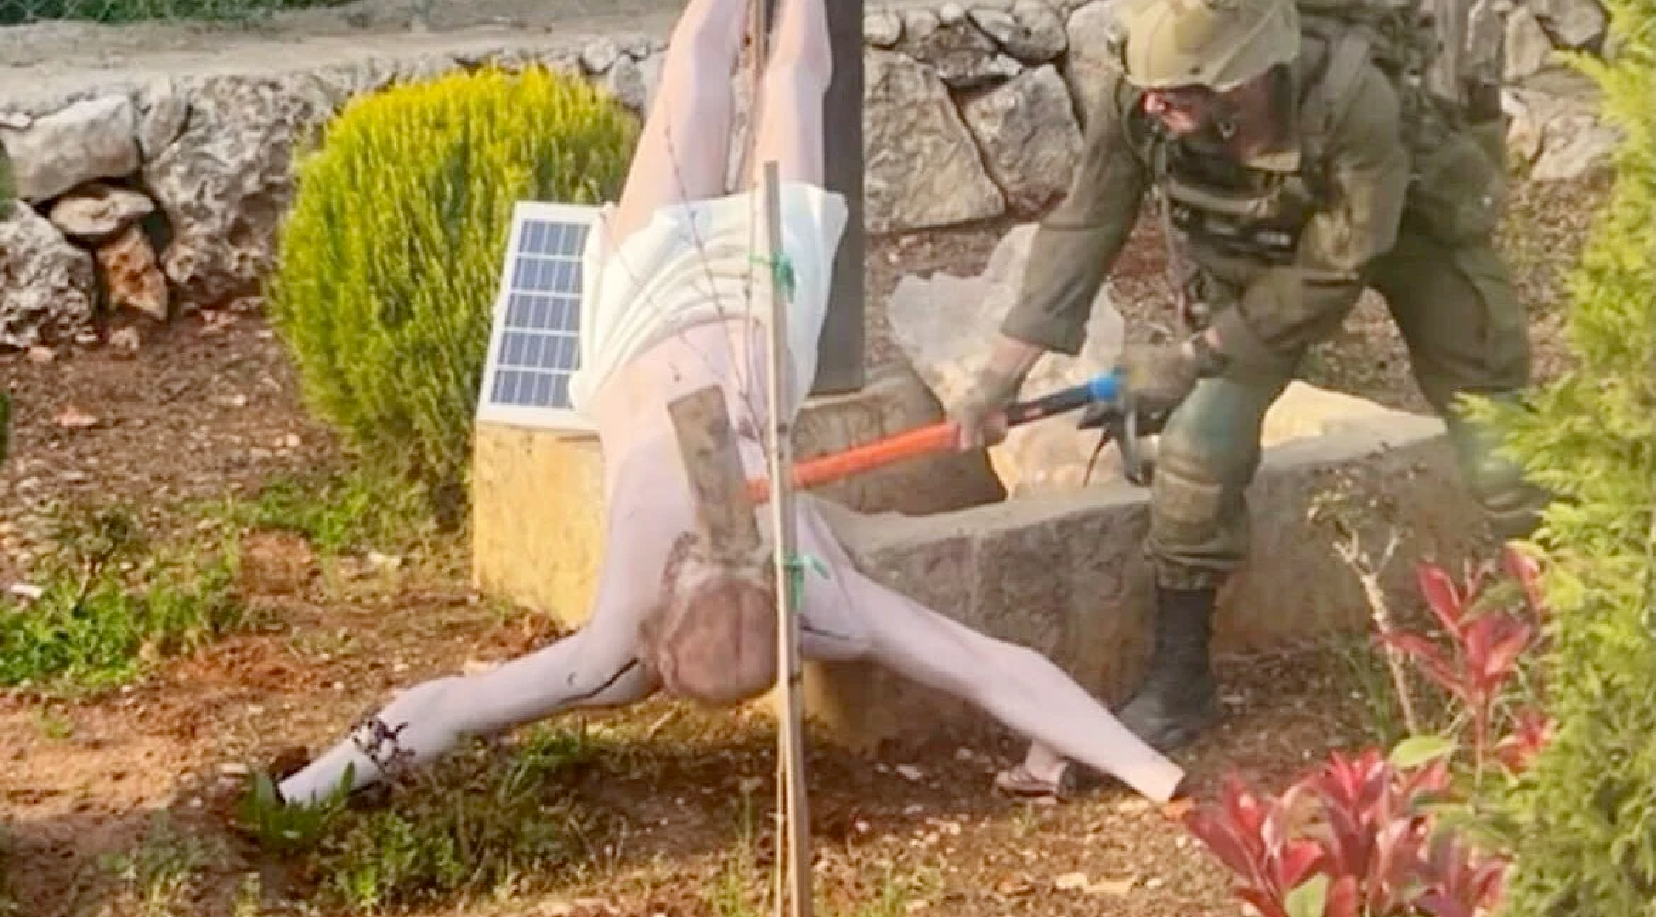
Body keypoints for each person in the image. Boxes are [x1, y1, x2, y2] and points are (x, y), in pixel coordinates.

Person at [270, 0, 1187, 811]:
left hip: (659, 309)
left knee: (712, 70)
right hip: (755, 298)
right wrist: (1155, 777)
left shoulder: (631, 645)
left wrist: (1161, 781)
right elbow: (994, 667)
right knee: (777, 73)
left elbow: (447, 706)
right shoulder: (811, 606)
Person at [952, 0, 1543, 792]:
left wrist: (1194, 353)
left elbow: (1338, 263)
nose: (1152, 105)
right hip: (1261, 255)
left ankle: (1568, 619)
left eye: (1175, 93)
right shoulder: (1145, 90)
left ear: (1241, 80)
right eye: (1149, 89)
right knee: (1198, 448)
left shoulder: (1352, 98)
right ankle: (1180, 683)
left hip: (1407, 226)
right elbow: (1086, 223)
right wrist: (999, 375)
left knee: (1493, 430)